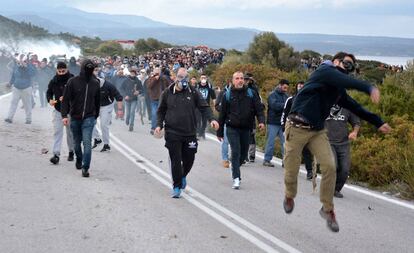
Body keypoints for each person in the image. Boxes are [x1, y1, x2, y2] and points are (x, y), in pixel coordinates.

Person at [282, 52, 391, 232]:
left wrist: (378, 122)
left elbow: (355, 107)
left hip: (317, 131)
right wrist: (369, 88)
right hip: (296, 127)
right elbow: (347, 81)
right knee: (291, 169)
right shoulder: (324, 71)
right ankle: (289, 195)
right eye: (345, 63)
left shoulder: (338, 91)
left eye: (351, 66)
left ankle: (327, 209)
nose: (347, 68)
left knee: (330, 167)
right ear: (335, 62)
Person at [155, 68, 219, 198]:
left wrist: (212, 119)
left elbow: (204, 107)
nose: (182, 80)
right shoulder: (167, 93)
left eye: (185, 77)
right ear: (175, 77)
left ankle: (183, 175)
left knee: (189, 158)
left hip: (190, 132)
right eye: (180, 77)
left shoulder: (193, 92)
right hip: (172, 132)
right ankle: (177, 186)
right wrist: (158, 125)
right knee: (176, 160)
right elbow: (161, 110)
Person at [217, 71, 265, 189]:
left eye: (242, 78)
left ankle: (235, 166)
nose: (240, 80)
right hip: (232, 128)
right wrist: (219, 132)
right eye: (237, 78)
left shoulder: (251, 93)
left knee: (243, 155)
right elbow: (222, 115)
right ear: (233, 81)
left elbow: (259, 109)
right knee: (236, 151)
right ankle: (236, 178)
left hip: (246, 128)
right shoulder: (227, 95)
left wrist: (261, 121)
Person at [61, 59, 100, 177]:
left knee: (87, 143)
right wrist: (64, 115)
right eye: (87, 68)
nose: (89, 70)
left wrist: (95, 115)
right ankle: (79, 158)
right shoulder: (72, 81)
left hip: (89, 118)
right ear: (82, 68)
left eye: (91, 68)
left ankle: (85, 167)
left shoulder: (95, 83)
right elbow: (66, 100)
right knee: (76, 143)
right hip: (75, 117)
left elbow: (97, 101)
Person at [281, 81, 315, 180]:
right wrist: (283, 126)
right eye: (299, 85)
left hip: (305, 129)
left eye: (302, 86)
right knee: (291, 150)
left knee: (307, 151)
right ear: (296, 87)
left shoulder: (310, 100)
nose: (300, 87)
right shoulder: (290, 99)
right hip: (292, 127)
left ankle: (309, 172)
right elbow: (285, 113)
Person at [325, 105, 360, 198]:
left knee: (344, 170)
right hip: (328, 142)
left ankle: (336, 189)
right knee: (333, 166)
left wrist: (355, 132)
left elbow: (356, 122)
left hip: (343, 144)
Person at [46, 62, 75, 164]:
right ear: (57, 71)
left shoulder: (73, 80)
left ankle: (71, 151)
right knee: (57, 132)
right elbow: (48, 92)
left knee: (70, 133)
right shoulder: (53, 81)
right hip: (58, 110)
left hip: (70, 111)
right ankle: (56, 154)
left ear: (67, 70)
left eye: (63, 71)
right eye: (59, 71)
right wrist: (49, 100)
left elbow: (79, 93)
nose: (62, 73)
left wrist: (68, 98)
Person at [92, 71, 124, 152]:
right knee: (89, 122)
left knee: (103, 125)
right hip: (96, 106)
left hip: (107, 106)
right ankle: (97, 139)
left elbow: (119, 97)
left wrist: (120, 110)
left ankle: (106, 144)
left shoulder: (108, 85)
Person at [263, 79, 289, 167]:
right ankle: (267, 160)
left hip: (283, 123)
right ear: (280, 85)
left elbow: (288, 107)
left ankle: (285, 161)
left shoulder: (286, 96)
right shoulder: (272, 95)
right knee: (270, 142)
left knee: (285, 143)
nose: (286, 89)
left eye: (287, 87)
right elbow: (274, 106)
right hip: (272, 122)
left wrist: (284, 106)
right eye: (284, 87)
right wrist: (285, 105)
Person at [4, 55, 36, 124]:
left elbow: (33, 74)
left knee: (27, 104)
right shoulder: (16, 66)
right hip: (16, 88)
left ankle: (28, 119)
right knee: (13, 103)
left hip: (26, 88)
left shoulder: (30, 66)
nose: (19, 62)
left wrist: (26, 67)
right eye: (19, 60)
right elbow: (13, 76)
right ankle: (9, 117)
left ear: (25, 60)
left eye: (21, 60)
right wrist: (10, 83)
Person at [244, 73, 263, 163]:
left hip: (251, 117)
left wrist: (261, 120)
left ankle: (251, 155)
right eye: (245, 79)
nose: (246, 81)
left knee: (251, 136)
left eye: (247, 79)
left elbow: (259, 104)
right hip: (241, 118)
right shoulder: (237, 89)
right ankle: (243, 155)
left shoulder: (254, 90)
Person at [147, 67, 169, 134]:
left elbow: (168, 86)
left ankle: (162, 127)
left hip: (162, 99)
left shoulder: (164, 78)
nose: (157, 73)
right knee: (154, 113)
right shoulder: (151, 78)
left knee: (163, 114)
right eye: (155, 72)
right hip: (154, 98)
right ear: (153, 72)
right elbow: (149, 86)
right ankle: (153, 128)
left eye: (158, 72)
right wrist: (154, 79)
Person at [215, 82, 231, 168]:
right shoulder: (223, 93)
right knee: (225, 141)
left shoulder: (243, 92)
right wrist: (224, 108)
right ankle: (225, 159)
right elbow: (217, 105)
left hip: (237, 122)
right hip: (225, 120)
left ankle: (236, 158)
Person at [196, 74, 216, 139]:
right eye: (202, 78)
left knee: (204, 122)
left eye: (204, 77)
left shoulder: (209, 86)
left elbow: (213, 97)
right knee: (198, 120)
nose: (203, 79)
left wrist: (214, 106)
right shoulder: (197, 86)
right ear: (200, 79)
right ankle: (199, 133)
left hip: (206, 106)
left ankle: (202, 132)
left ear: (206, 79)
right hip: (198, 106)